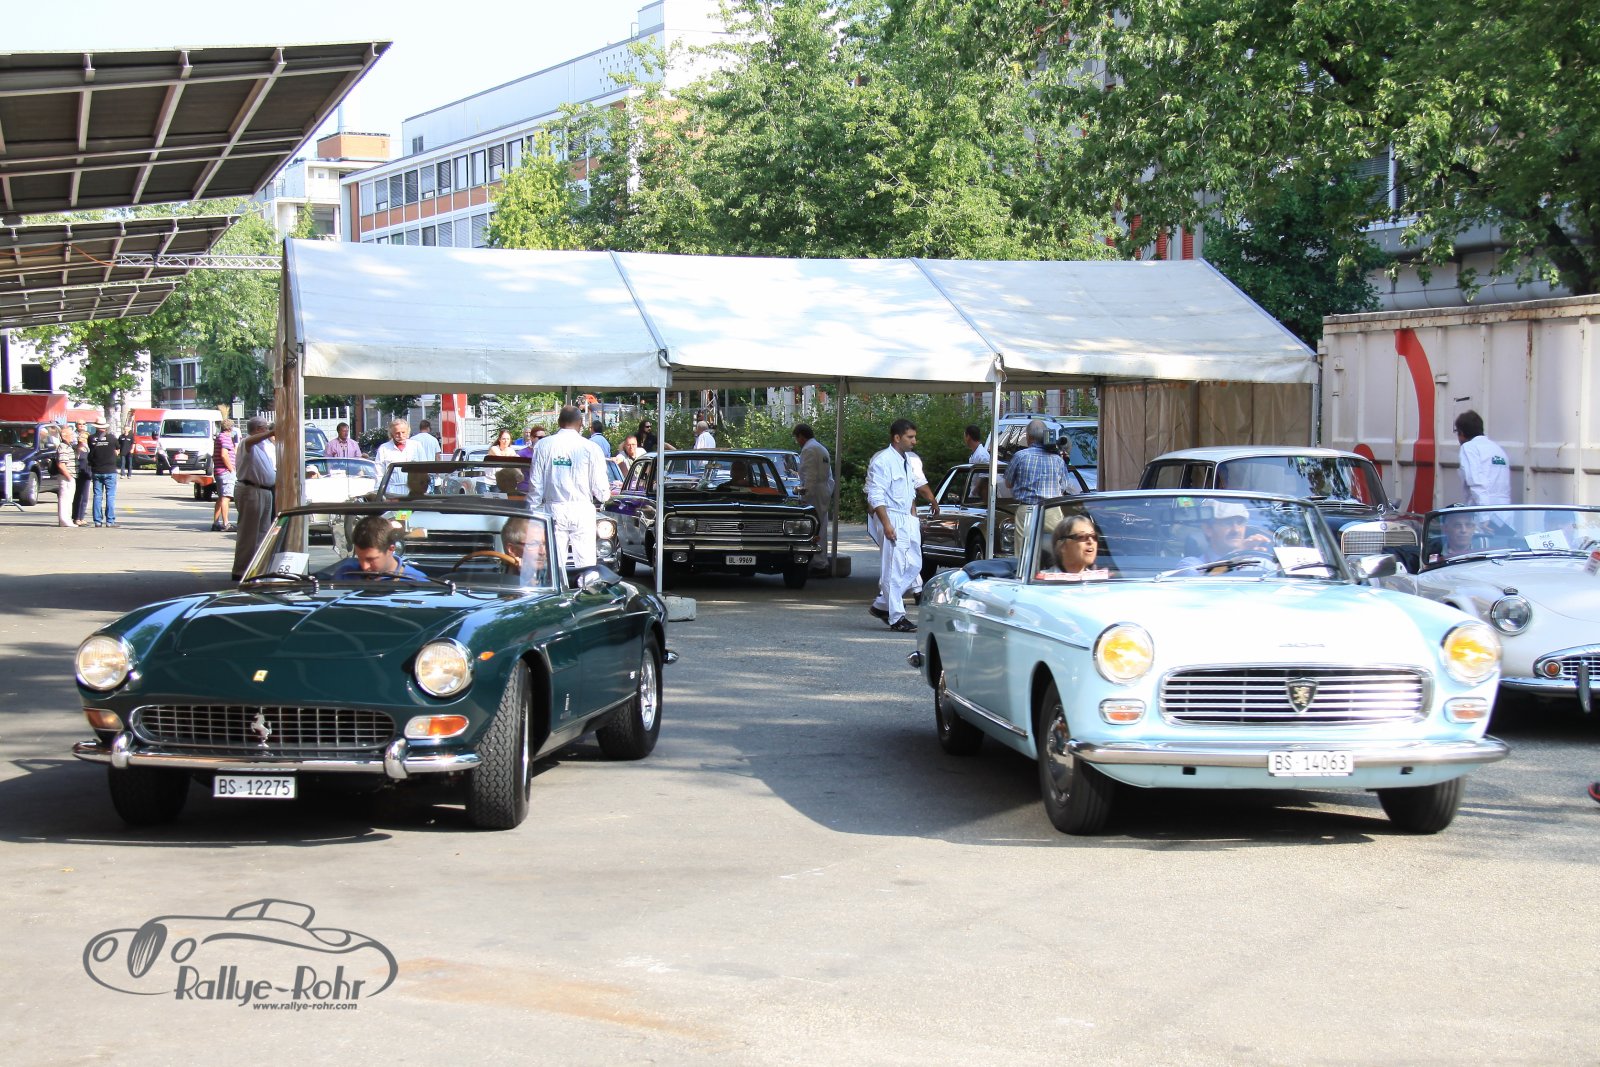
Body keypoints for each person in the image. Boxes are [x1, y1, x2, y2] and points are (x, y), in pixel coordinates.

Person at [865, 419, 937, 632]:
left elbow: (914, 488)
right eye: (910, 437)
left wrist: (921, 510)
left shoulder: (908, 460)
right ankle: (896, 617)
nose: (914, 441)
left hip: (907, 517)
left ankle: (882, 605)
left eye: (914, 437)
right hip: (892, 517)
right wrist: (886, 524)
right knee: (894, 568)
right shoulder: (883, 461)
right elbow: (875, 495)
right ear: (897, 438)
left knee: (914, 565)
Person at [527, 404, 609, 569]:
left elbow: (535, 484)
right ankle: (586, 584)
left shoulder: (543, 446)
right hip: (582, 510)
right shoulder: (591, 448)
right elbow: (601, 489)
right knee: (586, 565)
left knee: (555, 565)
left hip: (553, 509)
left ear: (558, 422)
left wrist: (532, 511)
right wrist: (605, 496)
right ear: (581, 423)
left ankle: (559, 585)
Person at [230, 418, 276, 581]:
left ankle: (256, 568)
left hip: (264, 490)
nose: (267, 431)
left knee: (262, 532)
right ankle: (241, 570)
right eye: (264, 428)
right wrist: (272, 432)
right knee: (249, 532)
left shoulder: (264, 447)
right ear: (257, 429)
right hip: (251, 489)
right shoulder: (247, 443)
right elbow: (250, 441)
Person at [1178, 500, 1273, 571]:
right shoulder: (1191, 565)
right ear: (1208, 529)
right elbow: (1203, 580)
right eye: (1227, 523)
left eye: (1240, 522)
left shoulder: (1259, 564)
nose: (1236, 530)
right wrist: (1237, 554)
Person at [326, 515, 427, 580]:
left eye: (370, 559)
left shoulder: (416, 581)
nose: (365, 566)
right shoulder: (345, 575)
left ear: (391, 549)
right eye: (360, 558)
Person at [794, 423, 835, 575]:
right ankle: (820, 561)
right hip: (823, 490)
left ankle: (817, 562)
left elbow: (810, 475)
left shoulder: (809, 450)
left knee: (813, 527)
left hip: (815, 492)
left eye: (797, 438)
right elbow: (829, 476)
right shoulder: (821, 448)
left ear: (801, 436)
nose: (797, 441)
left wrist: (805, 495)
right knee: (821, 527)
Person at [1004, 419, 1071, 504]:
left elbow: (1008, 484)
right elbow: (1063, 486)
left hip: (1027, 508)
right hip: (1052, 508)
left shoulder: (1020, 456)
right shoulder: (1058, 460)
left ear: (1029, 436)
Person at [1454, 409, 1510, 506]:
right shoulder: (1498, 449)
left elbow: (1476, 483)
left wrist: (1483, 513)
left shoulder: (1469, 448)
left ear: (1461, 433)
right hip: (1504, 511)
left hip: (1483, 511)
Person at [1036, 515, 1109, 581]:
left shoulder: (1101, 582)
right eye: (1081, 536)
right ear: (1062, 546)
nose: (1091, 541)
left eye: (1094, 536)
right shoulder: (1041, 581)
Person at [87, 422, 120, 527]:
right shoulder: (112, 438)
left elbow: (90, 451)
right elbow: (117, 450)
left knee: (97, 496)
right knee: (110, 496)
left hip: (97, 470)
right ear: (105, 427)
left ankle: (97, 521)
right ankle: (110, 521)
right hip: (110, 470)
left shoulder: (91, 438)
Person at [211, 418, 236, 532]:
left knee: (221, 498)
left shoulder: (219, 437)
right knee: (226, 497)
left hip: (219, 471)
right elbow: (224, 454)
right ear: (231, 428)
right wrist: (231, 469)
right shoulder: (225, 438)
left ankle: (216, 522)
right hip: (225, 472)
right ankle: (226, 523)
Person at [54, 424, 78, 528]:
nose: (72, 436)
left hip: (69, 476)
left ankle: (66, 520)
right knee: (65, 499)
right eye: (71, 435)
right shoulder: (63, 447)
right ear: (64, 436)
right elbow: (61, 464)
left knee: (68, 499)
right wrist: (69, 476)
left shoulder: (68, 446)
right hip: (66, 477)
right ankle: (65, 521)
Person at [71, 422, 91, 526]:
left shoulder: (88, 435)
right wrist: (79, 443)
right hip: (77, 466)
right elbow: (74, 448)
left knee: (85, 494)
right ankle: (76, 517)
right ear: (76, 425)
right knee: (78, 493)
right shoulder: (72, 436)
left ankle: (81, 516)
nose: (82, 425)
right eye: (80, 424)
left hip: (86, 466)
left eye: (84, 424)